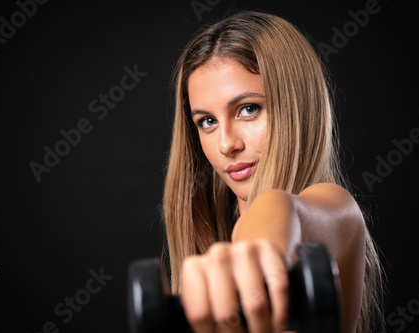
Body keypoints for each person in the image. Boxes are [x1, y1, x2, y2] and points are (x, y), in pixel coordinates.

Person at [162, 10, 383, 333]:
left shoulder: (336, 210)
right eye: (207, 121)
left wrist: (260, 241)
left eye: (249, 109)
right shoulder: (210, 257)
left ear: (296, 107)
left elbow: (283, 210)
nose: (226, 144)